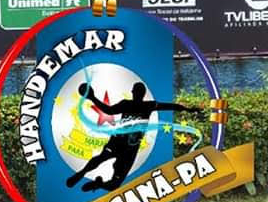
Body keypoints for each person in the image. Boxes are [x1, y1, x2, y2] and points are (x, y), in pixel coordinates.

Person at [65, 81, 202, 192]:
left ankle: (97, 184)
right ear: (139, 93)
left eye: (136, 92)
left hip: (129, 148)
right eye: (136, 92)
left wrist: (92, 98)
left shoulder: (144, 105)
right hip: (121, 142)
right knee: (102, 160)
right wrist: (188, 109)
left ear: (136, 93)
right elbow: (171, 106)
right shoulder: (137, 105)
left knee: (114, 184)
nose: (135, 94)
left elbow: (170, 106)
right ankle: (81, 174)